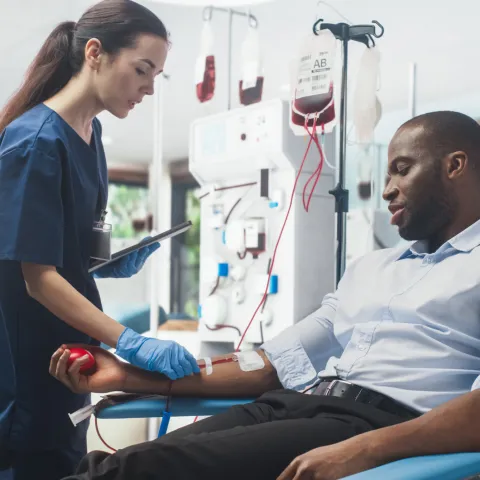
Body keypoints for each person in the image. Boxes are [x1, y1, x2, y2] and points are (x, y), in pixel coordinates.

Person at [53, 110, 480, 480]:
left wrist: (365, 449)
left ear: (454, 166)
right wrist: (127, 375)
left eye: (403, 169)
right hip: (297, 405)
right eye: (388, 174)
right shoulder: (370, 268)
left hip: (380, 426)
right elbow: (268, 365)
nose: (387, 189)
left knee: (125, 474)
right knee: (115, 467)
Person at [0, 2, 200, 479]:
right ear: (95, 53)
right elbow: (39, 279)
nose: (150, 87)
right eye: (142, 69)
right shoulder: (35, 143)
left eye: (157, 75)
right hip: (27, 365)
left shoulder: (92, 136)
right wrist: (130, 341)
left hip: (70, 359)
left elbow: (87, 239)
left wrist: (110, 260)